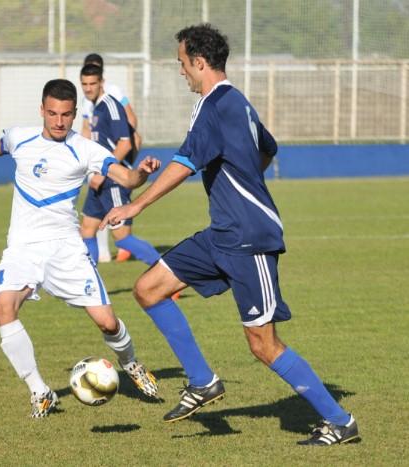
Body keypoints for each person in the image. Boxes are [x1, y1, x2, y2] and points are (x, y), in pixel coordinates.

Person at [100, 24, 359, 446]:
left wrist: (135, 205)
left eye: (182, 63)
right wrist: (242, 175)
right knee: (148, 289)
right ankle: (203, 381)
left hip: (249, 238)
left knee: (263, 344)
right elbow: (267, 149)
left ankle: (339, 420)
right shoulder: (235, 101)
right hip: (223, 232)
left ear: (199, 63)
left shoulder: (215, 105)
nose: (181, 71)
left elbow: (185, 162)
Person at [0, 78, 160, 418]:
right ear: (42, 110)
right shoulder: (20, 137)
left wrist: (141, 173)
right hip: (23, 247)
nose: (59, 121)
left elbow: (126, 179)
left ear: (74, 115)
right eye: (52, 113)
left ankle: (130, 364)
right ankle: (40, 391)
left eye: (66, 115)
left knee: (107, 323)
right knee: (2, 308)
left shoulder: (84, 149)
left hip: (66, 249)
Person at [79, 64, 161, 267]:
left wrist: (103, 172)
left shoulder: (110, 106)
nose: (88, 88)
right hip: (100, 181)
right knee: (87, 230)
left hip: (113, 180)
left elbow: (125, 143)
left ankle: (169, 275)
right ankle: (89, 284)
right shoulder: (95, 107)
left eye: (92, 83)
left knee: (122, 238)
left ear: (102, 83)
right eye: (84, 84)